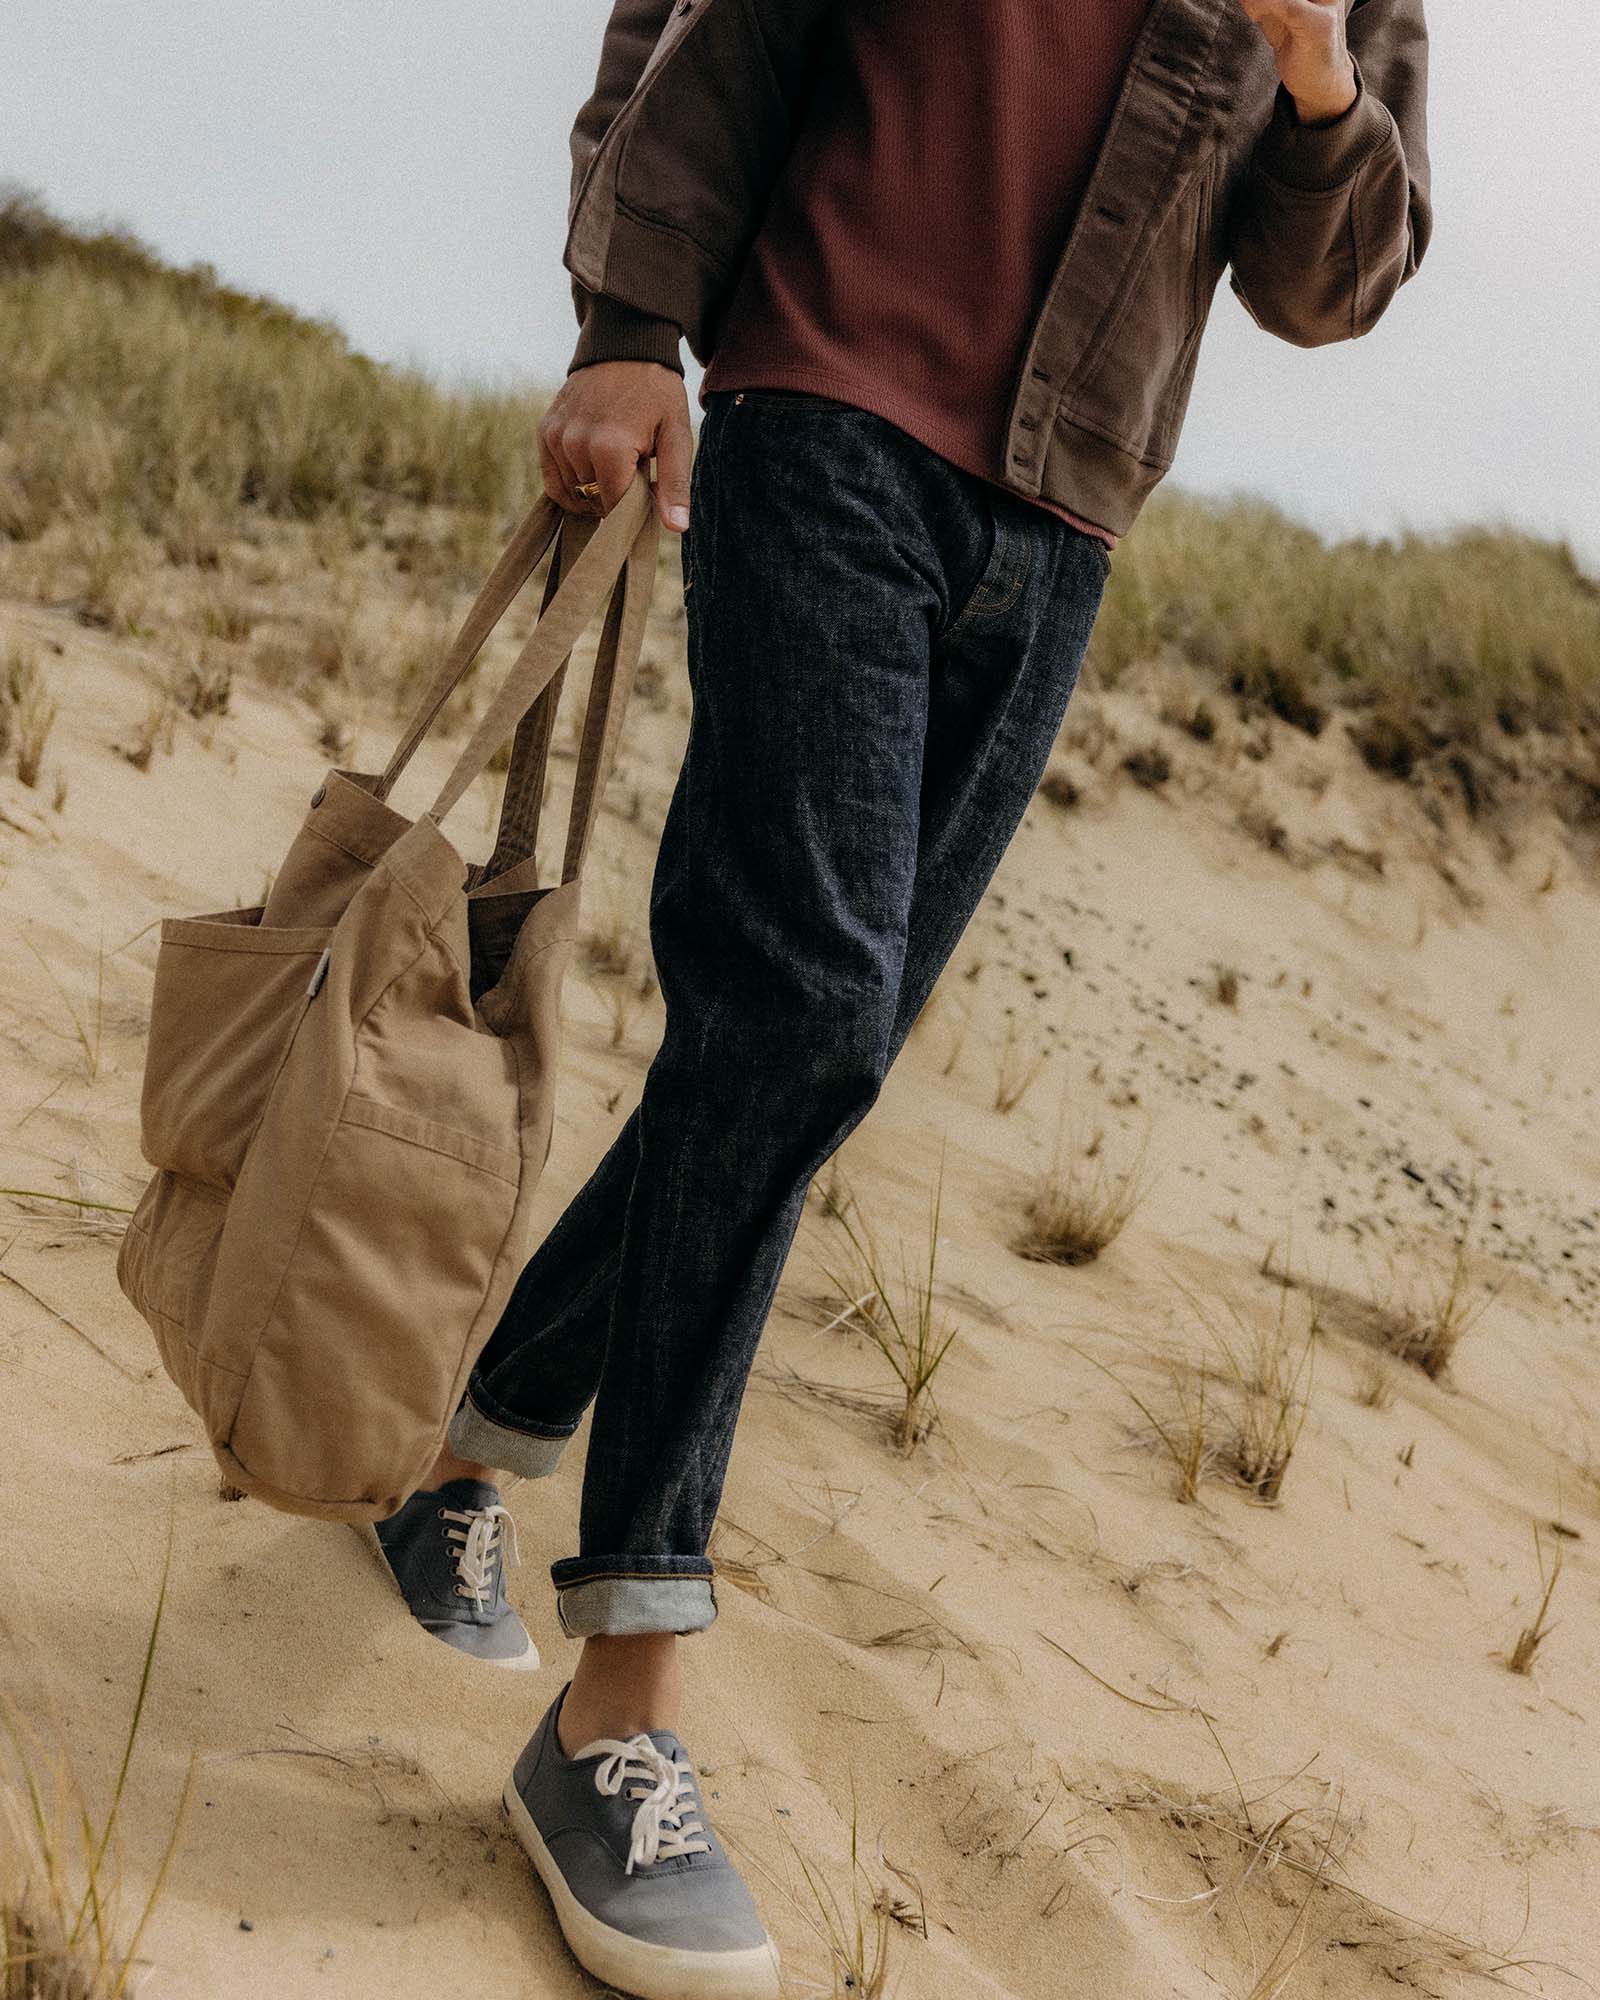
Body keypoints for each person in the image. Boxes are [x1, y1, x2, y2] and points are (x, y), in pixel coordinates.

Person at [371, 2, 1431, 1993]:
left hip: (1060, 527)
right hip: (822, 421)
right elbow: (704, 31)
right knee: (802, 1014)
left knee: (796, 1051)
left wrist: (1316, 85)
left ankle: (458, 1454)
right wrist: (629, 325)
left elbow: (1331, 282)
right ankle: (615, 1710)